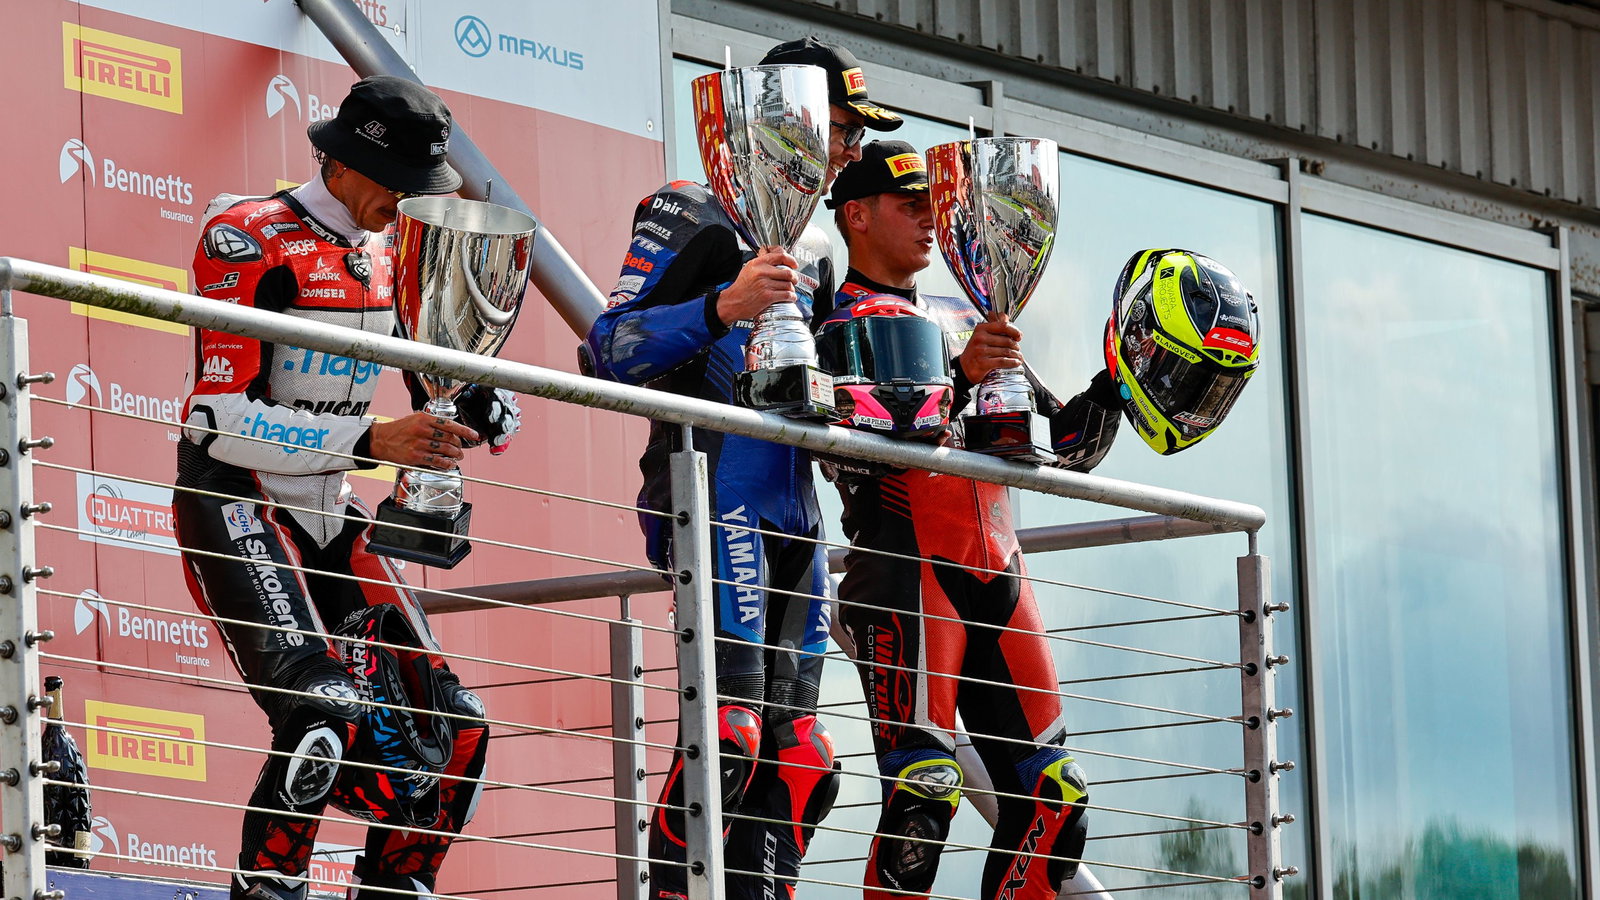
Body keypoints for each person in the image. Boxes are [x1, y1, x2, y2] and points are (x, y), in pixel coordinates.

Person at [174, 76, 518, 900]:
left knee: (459, 728)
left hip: (328, 506)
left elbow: (422, 365)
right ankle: (271, 888)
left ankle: (399, 890)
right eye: (398, 182)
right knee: (322, 706)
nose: (408, 202)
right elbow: (214, 419)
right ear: (345, 163)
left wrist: (473, 399)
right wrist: (372, 441)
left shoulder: (390, 253)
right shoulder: (245, 235)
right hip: (236, 497)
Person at [583, 36, 903, 900]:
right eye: (840, 127)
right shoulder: (691, 210)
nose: (849, 149)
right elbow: (606, 352)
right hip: (710, 498)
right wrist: (726, 305)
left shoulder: (813, 250)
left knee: (801, 760)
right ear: (784, 119)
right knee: (731, 738)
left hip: (798, 517)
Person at [820, 141, 1121, 900]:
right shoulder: (840, 319)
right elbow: (865, 444)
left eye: (933, 205)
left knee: (1058, 794)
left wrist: (1120, 379)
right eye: (908, 206)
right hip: (904, 571)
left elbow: (1065, 441)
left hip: (1000, 574)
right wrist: (960, 376)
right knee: (925, 789)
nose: (929, 220)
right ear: (856, 215)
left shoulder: (964, 309)